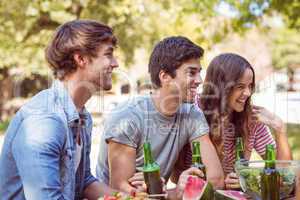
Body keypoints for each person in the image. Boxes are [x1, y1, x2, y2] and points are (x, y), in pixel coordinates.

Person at [0, 19, 119, 200]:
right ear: (81, 59)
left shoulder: (81, 117)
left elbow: (84, 182)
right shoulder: (44, 123)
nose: (115, 63)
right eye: (108, 54)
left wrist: (131, 198)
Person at [96, 36, 224, 198]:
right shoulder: (127, 118)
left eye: (199, 73)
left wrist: (170, 192)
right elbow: (121, 191)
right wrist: (174, 193)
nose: (199, 80)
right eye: (191, 73)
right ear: (165, 77)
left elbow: (216, 179)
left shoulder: (192, 114)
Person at [186, 53, 292, 189]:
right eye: (240, 87)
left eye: (250, 86)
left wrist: (280, 129)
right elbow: (176, 174)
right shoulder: (193, 109)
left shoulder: (252, 119)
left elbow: (285, 175)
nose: (248, 93)